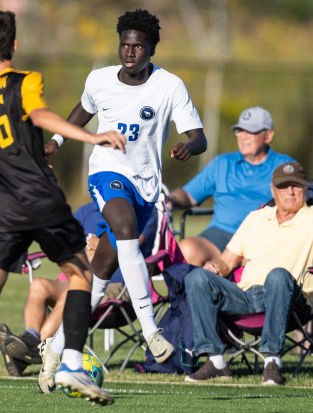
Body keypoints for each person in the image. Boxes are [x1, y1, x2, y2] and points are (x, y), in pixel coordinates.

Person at [0, 11, 124, 412]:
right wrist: (92, 134)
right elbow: (41, 115)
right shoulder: (25, 81)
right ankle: (69, 365)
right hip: (38, 199)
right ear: (14, 45)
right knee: (80, 274)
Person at [40, 8, 207, 392]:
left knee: (100, 274)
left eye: (138, 46)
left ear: (151, 49)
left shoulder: (170, 86)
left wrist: (189, 147)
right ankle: (151, 331)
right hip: (107, 172)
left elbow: (199, 136)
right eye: (125, 44)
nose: (129, 52)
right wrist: (56, 142)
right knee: (124, 227)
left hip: (147, 186)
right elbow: (81, 113)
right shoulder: (99, 80)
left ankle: (57, 347)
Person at [184, 162, 313, 385]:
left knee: (278, 276)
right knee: (196, 278)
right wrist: (214, 266)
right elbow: (226, 260)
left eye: (296, 186)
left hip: (291, 300)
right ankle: (216, 361)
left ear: (305, 188)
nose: (290, 192)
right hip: (246, 297)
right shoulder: (257, 218)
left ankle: (272, 362)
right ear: (274, 190)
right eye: (284, 186)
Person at [0, 203, 158, 376]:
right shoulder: (84, 211)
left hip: (119, 288)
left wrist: (97, 248)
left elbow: (131, 244)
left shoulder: (142, 206)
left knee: (73, 294)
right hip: (82, 280)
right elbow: (66, 243)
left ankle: (32, 350)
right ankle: (30, 341)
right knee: (39, 285)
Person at [168, 106, 295, 266]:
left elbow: (298, 204)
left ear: (268, 136)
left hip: (263, 237)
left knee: (261, 261)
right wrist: (167, 200)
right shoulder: (222, 163)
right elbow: (187, 195)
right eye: (240, 131)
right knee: (187, 249)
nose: (243, 137)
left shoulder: (285, 166)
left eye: (251, 131)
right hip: (219, 235)